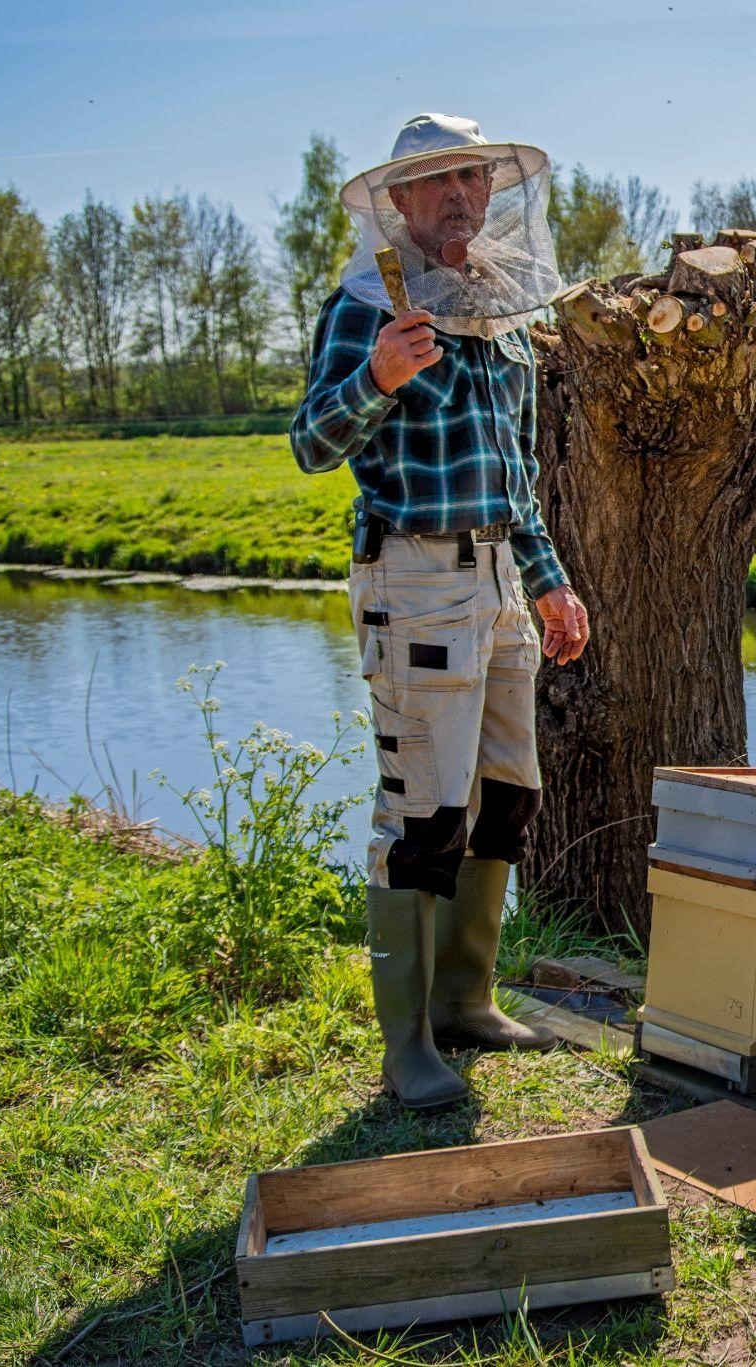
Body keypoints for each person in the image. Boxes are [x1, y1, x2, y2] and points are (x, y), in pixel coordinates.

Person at [289, 113, 588, 1110]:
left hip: (501, 582)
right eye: (438, 180)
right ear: (400, 201)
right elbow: (310, 445)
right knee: (423, 814)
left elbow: (520, 472)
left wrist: (550, 579)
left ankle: (467, 1001)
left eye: (474, 175)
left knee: (507, 794)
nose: (462, 193)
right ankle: (407, 1043)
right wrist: (377, 376)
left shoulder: (501, 306)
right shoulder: (364, 304)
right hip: (413, 578)